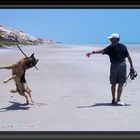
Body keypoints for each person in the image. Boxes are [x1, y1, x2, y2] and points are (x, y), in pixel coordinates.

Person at [86, 33, 134, 105]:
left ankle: (114, 99)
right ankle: (117, 100)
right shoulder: (122, 46)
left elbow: (102, 51)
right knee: (119, 84)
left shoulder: (111, 47)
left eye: (111, 38)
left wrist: (92, 52)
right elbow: (128, 56)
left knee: (114, 83)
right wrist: (131, 66)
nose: (110, 39)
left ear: (115, 39)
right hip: (122, 65)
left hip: (115, 66)